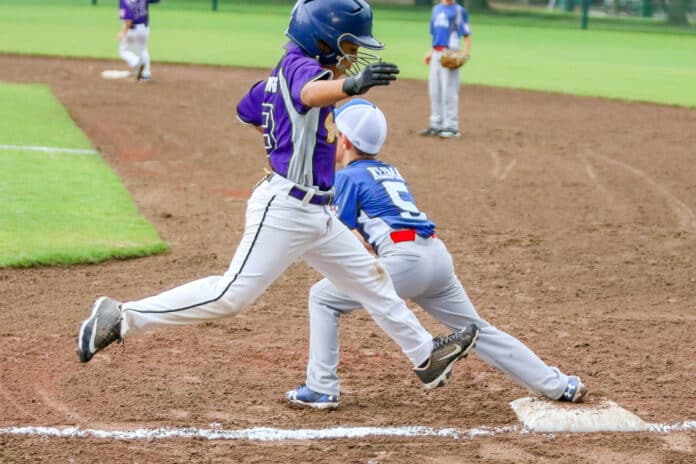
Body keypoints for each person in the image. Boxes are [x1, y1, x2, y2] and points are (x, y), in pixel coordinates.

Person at [77, 0, 480, 397]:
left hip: (318, 212)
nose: (354, 54)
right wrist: (350, 86)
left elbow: (247, 111)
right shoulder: (299, 69)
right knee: (230, 296)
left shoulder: (276, 76)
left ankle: (425, 356)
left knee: (372, 281)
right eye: (350, 44)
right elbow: (308, 92)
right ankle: (123, 316)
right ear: (322, 40)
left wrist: (285, 130)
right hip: (286, 207)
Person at [285, 99, 588, 409]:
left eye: (335, 133)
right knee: (478, 329)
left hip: (404, 262)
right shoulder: (389, 171)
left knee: (323, 297)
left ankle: (321, 387)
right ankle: (558, 385)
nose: (330, 137)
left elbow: (332, 232)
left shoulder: (348, 177)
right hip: (434, 258)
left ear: (346, 141)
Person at [420, 0, 471, 139]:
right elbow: (436, 34)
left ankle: (451, 126)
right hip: (436, 53)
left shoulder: (458, 11)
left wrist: (465, 53)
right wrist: (431, 51)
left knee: (449, 91)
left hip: (450, 53)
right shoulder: (436, 9)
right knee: (434, 90)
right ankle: (436, 124)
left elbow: (465, 33)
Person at [118, 0, 160, 82]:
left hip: (131, 30)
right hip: (144, 29)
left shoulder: (124, 1)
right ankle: (145, 74)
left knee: (123, 51)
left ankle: (138, 63)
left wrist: (123, 33)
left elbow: (129, 19)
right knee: (143, 50)